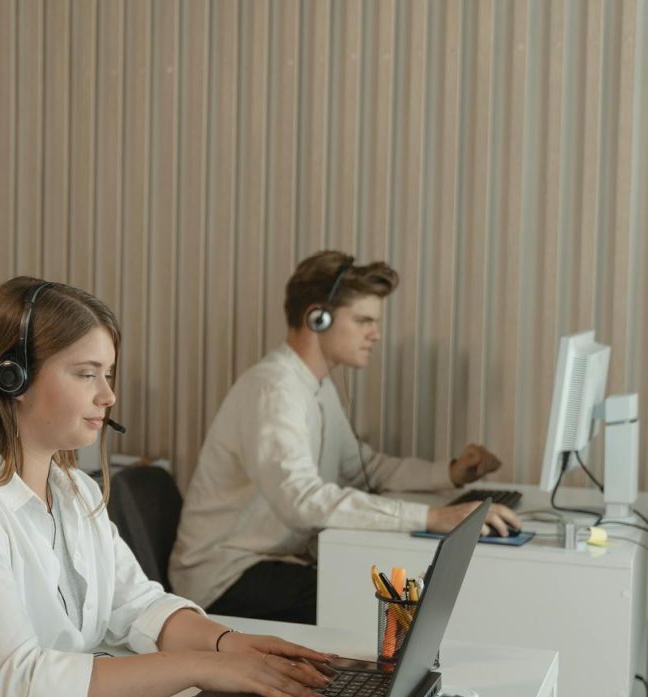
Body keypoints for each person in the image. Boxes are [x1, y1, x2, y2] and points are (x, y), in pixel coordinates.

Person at [0, 277, 334, 697]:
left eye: (108, 374)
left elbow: (137, 605)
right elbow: (23, 684)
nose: (107, 396)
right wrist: (204, 668)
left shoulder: (73, 490)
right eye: (86, 373)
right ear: (12, 377)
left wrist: (229, 645)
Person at [170, 251, 517, 624]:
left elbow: (364, 467)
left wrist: (450, 475)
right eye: (364, 320)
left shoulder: (317, 386)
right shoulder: (274, 389)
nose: (376, 334)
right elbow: (300, 501)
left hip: (271, 563)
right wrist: (432, 517)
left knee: (391, 597)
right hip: (226, 577)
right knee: (379, 608)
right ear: (317, 318)